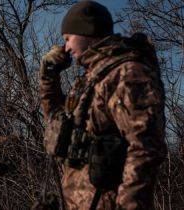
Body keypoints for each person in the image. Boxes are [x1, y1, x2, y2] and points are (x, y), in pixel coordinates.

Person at [39, 1, 167, 209]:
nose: (67, 47)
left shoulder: (127, 73)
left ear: (85, 31)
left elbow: (145, 148)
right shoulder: (91, 80)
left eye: (68, 38)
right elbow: (56, 124)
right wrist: (48, 76)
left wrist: (129, 205)